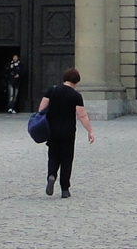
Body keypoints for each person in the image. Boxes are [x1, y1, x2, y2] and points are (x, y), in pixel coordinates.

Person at [37, 67, 95, 198]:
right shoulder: (76, 96)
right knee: (66, 158)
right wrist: (90, 131)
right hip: (68, 131)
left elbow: (42, 108)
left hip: (52, 129)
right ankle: (64, 189)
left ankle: (51, 176)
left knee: (53, 155)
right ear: (76, 81)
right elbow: (82, 115)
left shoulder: (51, 90)